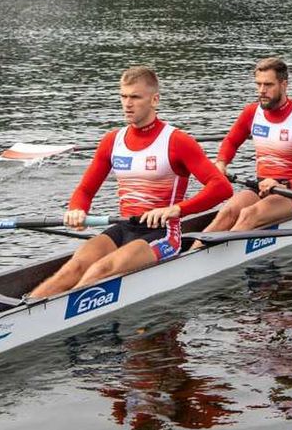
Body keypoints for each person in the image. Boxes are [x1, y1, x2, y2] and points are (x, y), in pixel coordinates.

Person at [29, 67, 232, 298]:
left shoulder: (177, 141)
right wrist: (77, 210)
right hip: (125, 225)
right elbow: (85, 189)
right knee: (72, 268)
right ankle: (19, 311)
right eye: (123, 96)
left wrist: (176, 209)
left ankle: (55, 312)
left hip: (162, 233)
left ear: (155, 100)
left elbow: (222, 187)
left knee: (100, 269)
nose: (127, 104)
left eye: (135, 97)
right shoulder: (112, 141)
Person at [199, 57, 292, 238]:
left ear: (284, 85)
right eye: (258, 84)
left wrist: (286, 184)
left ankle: (215, 258)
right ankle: (192, 255)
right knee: (226, 213)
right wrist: (221, 163)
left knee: (248, 215)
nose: (262, 91)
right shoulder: (252, 113)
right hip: (261, 186)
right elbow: (231, 141)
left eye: (268, 85)